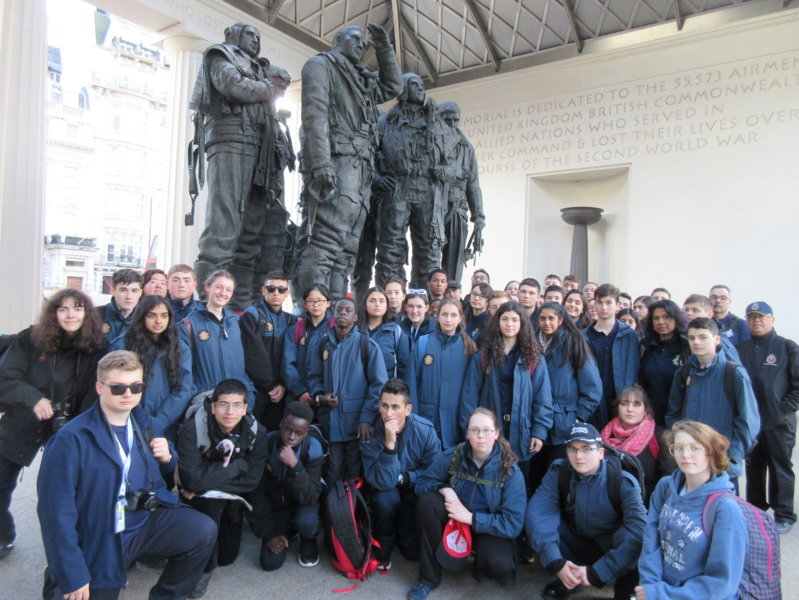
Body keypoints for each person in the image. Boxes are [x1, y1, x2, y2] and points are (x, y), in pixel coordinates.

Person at [38, 351, 216, 600]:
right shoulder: (70, 440)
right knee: (78, 588)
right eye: (118, 388)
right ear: (100, 388)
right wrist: (72, 574)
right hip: (100, 534)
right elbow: (55, 514)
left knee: (203, 530)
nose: (128, 394)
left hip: (143, 522)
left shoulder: (145, 422)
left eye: (136, 386)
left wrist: (168, 458)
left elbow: (165, 473)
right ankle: (57, 578)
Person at [189, 23, 293, 309]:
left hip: (261, 151)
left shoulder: (259, 69)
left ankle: (241, 309)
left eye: (258, 37)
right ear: (232, 35)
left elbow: (269, 84)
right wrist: (270, 87)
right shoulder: (221, 55)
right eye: (250, 34)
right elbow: (235, 86)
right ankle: (208, 306)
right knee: (224, 226)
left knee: (252, 232)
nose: (255, 40)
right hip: (232, 141)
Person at [296, 24, 402, 297]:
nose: (361, 45)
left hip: (361, 171)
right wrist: (321, 164)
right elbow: (314, 117)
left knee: (347, 251)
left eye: (363, 42)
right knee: (325, 242)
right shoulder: (322, 65)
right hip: (338, 164)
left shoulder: (360, 79)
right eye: (354, 39)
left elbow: (393, 86)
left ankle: (337, 312)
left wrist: (384, 48)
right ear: (336, 41)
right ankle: (314, 311)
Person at [0, 289, 106, 560]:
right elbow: (6, 376)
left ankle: (71, 549)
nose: (71, 315)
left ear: (87, 313)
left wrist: (79, 424)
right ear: (53, 313)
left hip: (70, 424)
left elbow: (97, 391)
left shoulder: (98, 347)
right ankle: (3, 535)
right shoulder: (30, 339)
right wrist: (33, 398)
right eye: (63, 309)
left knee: (63, 492)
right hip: (24, 418)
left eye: (78, 308)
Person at [407, 408, 526, 600]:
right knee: (427, 503)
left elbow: (513, 523)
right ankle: (428, 578)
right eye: (475, 430)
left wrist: (471, 518)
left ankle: (480, 562)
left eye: (487, 430)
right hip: (453, 521)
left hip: (485, 527)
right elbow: (422, 483)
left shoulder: (510, 472)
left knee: (498, 564)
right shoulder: (453, 456)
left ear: (496, 433)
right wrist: (445, 489)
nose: (481, 435)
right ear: (467, 433)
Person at [527, 422, 646, 600]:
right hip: (580, 539)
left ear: (601, 452)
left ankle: (626, 588)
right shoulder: (559, 472)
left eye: (586, 449)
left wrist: (598, 572)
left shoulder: (623, 481)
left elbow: (638, 532)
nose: (579, 456)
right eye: (572, 449)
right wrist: (554, 560)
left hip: (613, 548)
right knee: (548, 525)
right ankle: (570, 578)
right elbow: (539, 513)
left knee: (635, 541)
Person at [176, 378, 269, 595]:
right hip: (201, 497)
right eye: (223, 404)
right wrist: (239, 465)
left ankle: (227, 517)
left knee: (227, 557)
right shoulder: (192, 429)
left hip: (231, 492)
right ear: (213, 406)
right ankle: (203, 569)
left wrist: (205, 481)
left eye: (237, 405)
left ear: (245, 409)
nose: (230, 412)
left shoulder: (256, 432)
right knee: (209, 511)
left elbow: (252, 480)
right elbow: (190, 480)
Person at [635, 421, 747, 600]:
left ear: (711, 451)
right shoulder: (666, 487)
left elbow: (722, 583)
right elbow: (651, 541)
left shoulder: (726, 510)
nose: (685, 455)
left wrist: (662, 594)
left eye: (694, 448)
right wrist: (650, 585)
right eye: (678, 448)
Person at [462, 302, 554, 481]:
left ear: (522, 323)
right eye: (505, 319)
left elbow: (542, 398)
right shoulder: (484, 355)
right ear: (498, 322)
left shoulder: (533, 358)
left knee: (518, 480)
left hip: (521, 430)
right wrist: (469, 429)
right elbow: (469, 396)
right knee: (489, 479)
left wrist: (539, 432)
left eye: (514, 320)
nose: (509, 324)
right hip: (489, 429)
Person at [665, 317, 760, 486]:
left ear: (717, 339)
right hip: (690, 460)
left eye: (703, 337)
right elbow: (673, 413)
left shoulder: (733, 373)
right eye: (692, 338)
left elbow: (748, 421)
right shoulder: (684, 372)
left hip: (722, 461)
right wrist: (680, 446)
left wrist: (731, 456)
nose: (696, 342)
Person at [306, 297, 388, 482]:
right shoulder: (323, 345)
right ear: (333, 314)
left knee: (355, 475)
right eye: (339, 309)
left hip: (357, 425)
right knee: (333, 472)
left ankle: (353, 502)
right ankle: (334, 501)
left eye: (348, 310)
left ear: (356, 317)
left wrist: (367, 418)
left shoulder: (367, 346)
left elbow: (379, 386)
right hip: (331, 423)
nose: (342, 312)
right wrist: (319, 396)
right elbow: (313, 376)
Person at [360, 379, 440, 564]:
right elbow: (382, 482)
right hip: (385, 490)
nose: (388, 413)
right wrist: (389, 445)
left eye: (395, 407)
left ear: (408, 409)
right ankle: (382, 544)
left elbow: (433, 473)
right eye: (384, 406)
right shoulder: (369, 433)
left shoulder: (425, 431)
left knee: (411, 551)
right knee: (385, 501)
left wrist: (406, 478)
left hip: (413, 488)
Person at [738, 301, 799, 534]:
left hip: (779, 423)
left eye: (761, 316)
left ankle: (784, 515)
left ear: (772, 319)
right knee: (753, 469)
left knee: (780, 467)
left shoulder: (787, 347)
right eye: (752, 317)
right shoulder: (740, 349)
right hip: (751, 423)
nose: (756, 321)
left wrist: (783, 409)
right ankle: (756, 513)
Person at [249, 401, 327, 571]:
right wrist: (270, 534)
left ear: (306, 433)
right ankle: (288, 528)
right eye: (288, 430)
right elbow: (256, 493)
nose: (292, 437)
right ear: (281, 424)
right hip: (278, 505)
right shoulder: (268, 442)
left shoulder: (312, 447)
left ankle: (307, 538)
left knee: (306, 521)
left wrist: (295, 466)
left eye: (298, 433)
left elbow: (311, 496)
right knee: (270, 563)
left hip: (303, 502)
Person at [531, 302, 602, 480]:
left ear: (561, 320)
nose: (547, 323)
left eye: (551, 318)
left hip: (564, 422)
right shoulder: (531, 343)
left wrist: (578, 418)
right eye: (542, 318)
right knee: (533, 476)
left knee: (557, 476)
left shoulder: (574, 342)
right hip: (535, 420)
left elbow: (592, 387)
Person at [111, 295, 193, 439]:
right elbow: (116, 385)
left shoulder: (180, 348)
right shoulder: (123, 345)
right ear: (142, 317)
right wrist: (140, 420)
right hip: (129, 423)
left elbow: (183, 389)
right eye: (152, 315)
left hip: (166, 426)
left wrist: (159, 422)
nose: (158, 321)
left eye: (164, 315)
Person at [180, 270, 256, 408]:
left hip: (239, 399)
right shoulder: (188, 325)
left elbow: (247, 363)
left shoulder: (237, 322)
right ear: (208, 287)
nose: (223, 293)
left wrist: (250, 392)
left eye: (228, 290)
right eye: (219, 287)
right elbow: (183, 371)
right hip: (206, 399)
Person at [407, 299, 477, 449]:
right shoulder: (423, 343)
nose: (448, 319)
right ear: (437, 316)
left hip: (455, 423)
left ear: (460, 318)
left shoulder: (468, 347)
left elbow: (472, 390)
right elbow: (412, 385)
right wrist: (414, 422)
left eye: (453, 315)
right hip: (427, 421)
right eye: (444, 314)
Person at [240, 271, 297, 429]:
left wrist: (283, 385)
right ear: (264, 290)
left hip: (282, 390)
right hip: (256, 388)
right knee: (252, 432)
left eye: (281, 289)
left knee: (275, 433)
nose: (276, 293)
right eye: (271, 289)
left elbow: (292, 357)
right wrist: (270, 386)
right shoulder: (251, 315)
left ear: (287, 293)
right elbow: (253, 355)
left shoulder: (291, 320)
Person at [601, 385, 675, 504]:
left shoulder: (659, 436)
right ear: (617, 407)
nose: (630, 409)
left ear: (645, 410)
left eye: (636, 404)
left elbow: (667, 477)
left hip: (646, 504)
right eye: (624, 404)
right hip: (609, 503)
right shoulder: (605, 434)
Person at [438, 101, 485, 285]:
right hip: (433, 206)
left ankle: (451, 293)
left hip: (457, 206)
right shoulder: (430, 143)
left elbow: (473, 185)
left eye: (455, 120)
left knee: (455, 255)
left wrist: (478, 216)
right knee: (428, 255)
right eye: (447, 119)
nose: (451, 123)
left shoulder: (467, 148)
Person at [583, 284, 640, 429]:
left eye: (608, 302)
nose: (604, 307)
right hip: (592, 403)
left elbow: (634, 371)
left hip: (621, 402)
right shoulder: (583, 336)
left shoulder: (629, 335)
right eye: (600, 302)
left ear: (617, 305)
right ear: (594, 304)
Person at [639, 300, 689, 426]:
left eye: (666, 317)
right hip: (648, 415)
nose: (660, 322)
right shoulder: (645, 346)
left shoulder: (686, 347)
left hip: (678, 416)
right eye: (656, 318)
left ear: (676, 318)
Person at [281, 284, 332, 407]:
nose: (316, 305)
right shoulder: (296, 329)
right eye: (311, 301)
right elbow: (288, 364)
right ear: (305, 304)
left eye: (320, 301)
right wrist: (300, 392)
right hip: (298, 395)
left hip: (327, 395)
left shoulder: (335, 328)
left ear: (328, 303)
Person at [357, 287, 412, 379]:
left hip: (386, 385)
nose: (377, 304)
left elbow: (404, 366)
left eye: (382, 301)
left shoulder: (396, 332)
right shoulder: (355, 330)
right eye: (372, 301)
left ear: (387, 305)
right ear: (365, 304)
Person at [98, 268, 143, 343]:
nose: (129, 296)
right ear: (112, 291)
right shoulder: (95, 315)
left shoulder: (145, 319)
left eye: (134, 291)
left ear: (140, 293)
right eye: (123, 290)